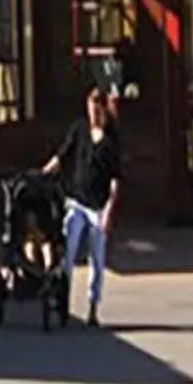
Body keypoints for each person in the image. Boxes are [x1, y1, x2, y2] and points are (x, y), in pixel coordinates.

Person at [42, 86, 123, 326]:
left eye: (97, 112)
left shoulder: (110, 140)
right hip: (77, 201)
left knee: (96, 260)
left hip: (97, 206)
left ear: (104, 111)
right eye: (90, 111)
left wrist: (108, 211)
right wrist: (44, 172)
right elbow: (63, 154)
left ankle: (92, 308)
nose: (93, 117)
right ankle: (63, 299)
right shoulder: (79, 129)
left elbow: (115, 180)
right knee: (68, 249)